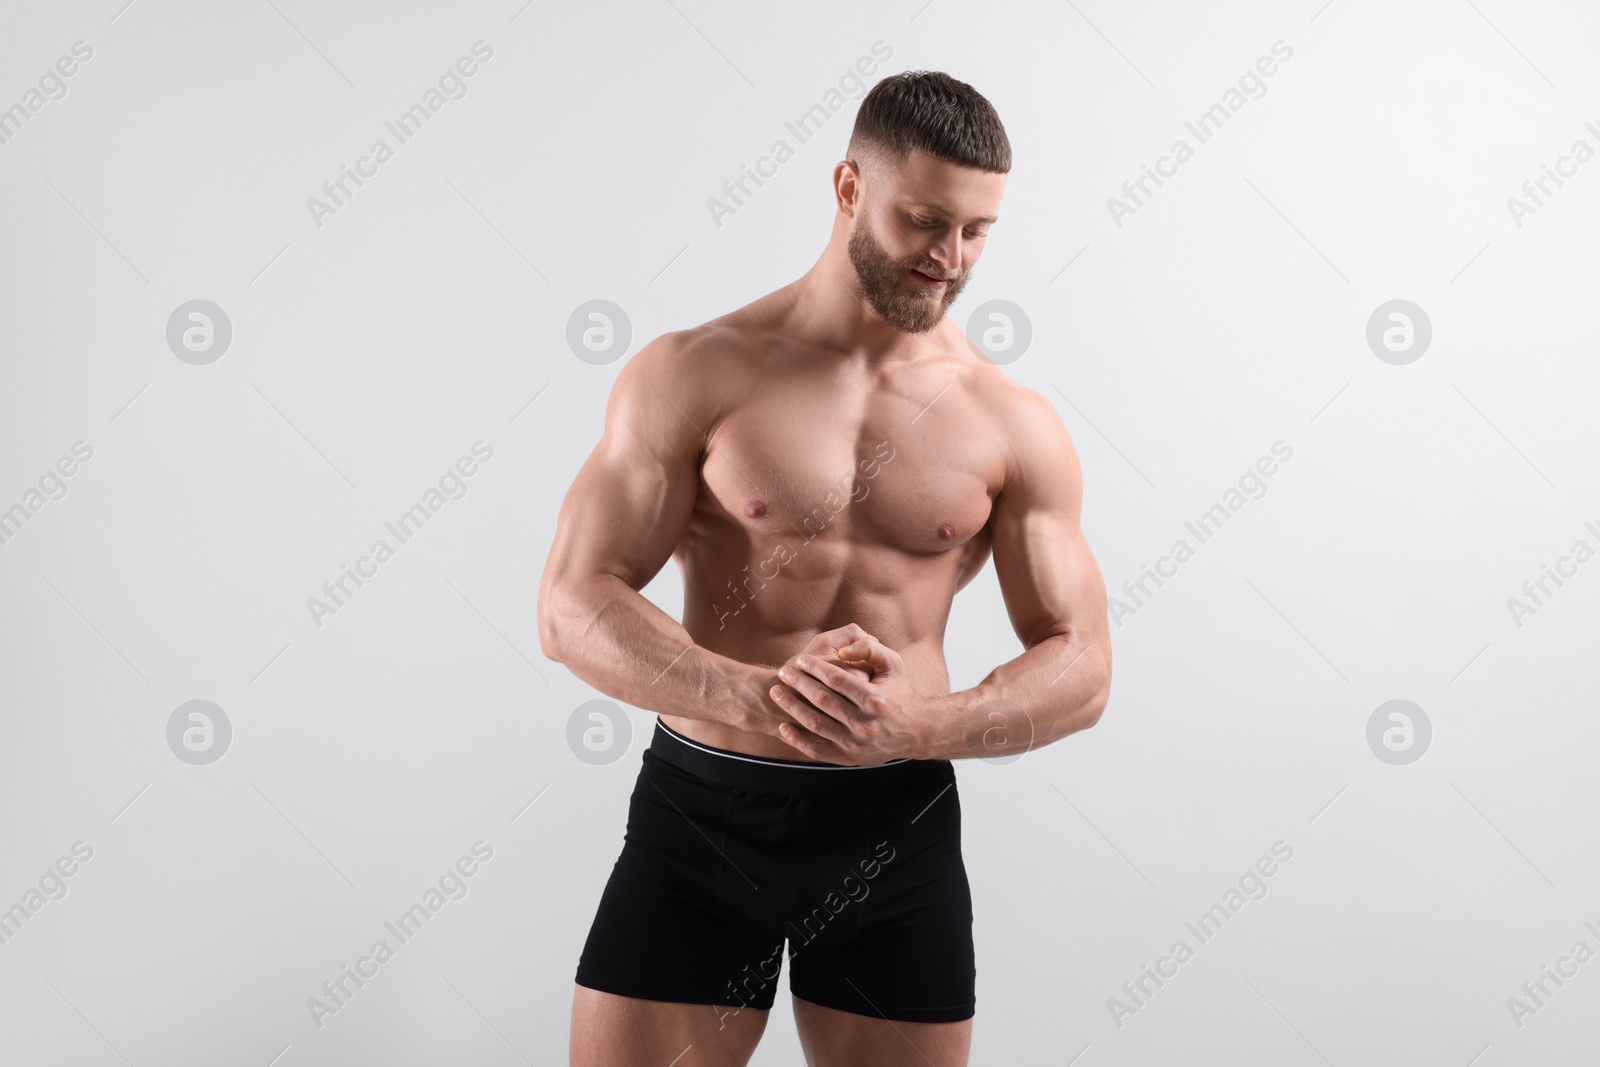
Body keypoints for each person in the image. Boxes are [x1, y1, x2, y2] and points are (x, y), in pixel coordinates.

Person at [539, 69, 1112, 1067]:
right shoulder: (697, 371)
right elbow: (571, 603)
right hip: (703, 816)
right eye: (926, 219)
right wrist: (760, 698)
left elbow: (1082, 661)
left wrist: (916, 723)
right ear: (848, 188)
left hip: (895, 825)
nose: (949, 258)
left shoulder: (1010, 420)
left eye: (977, 233)